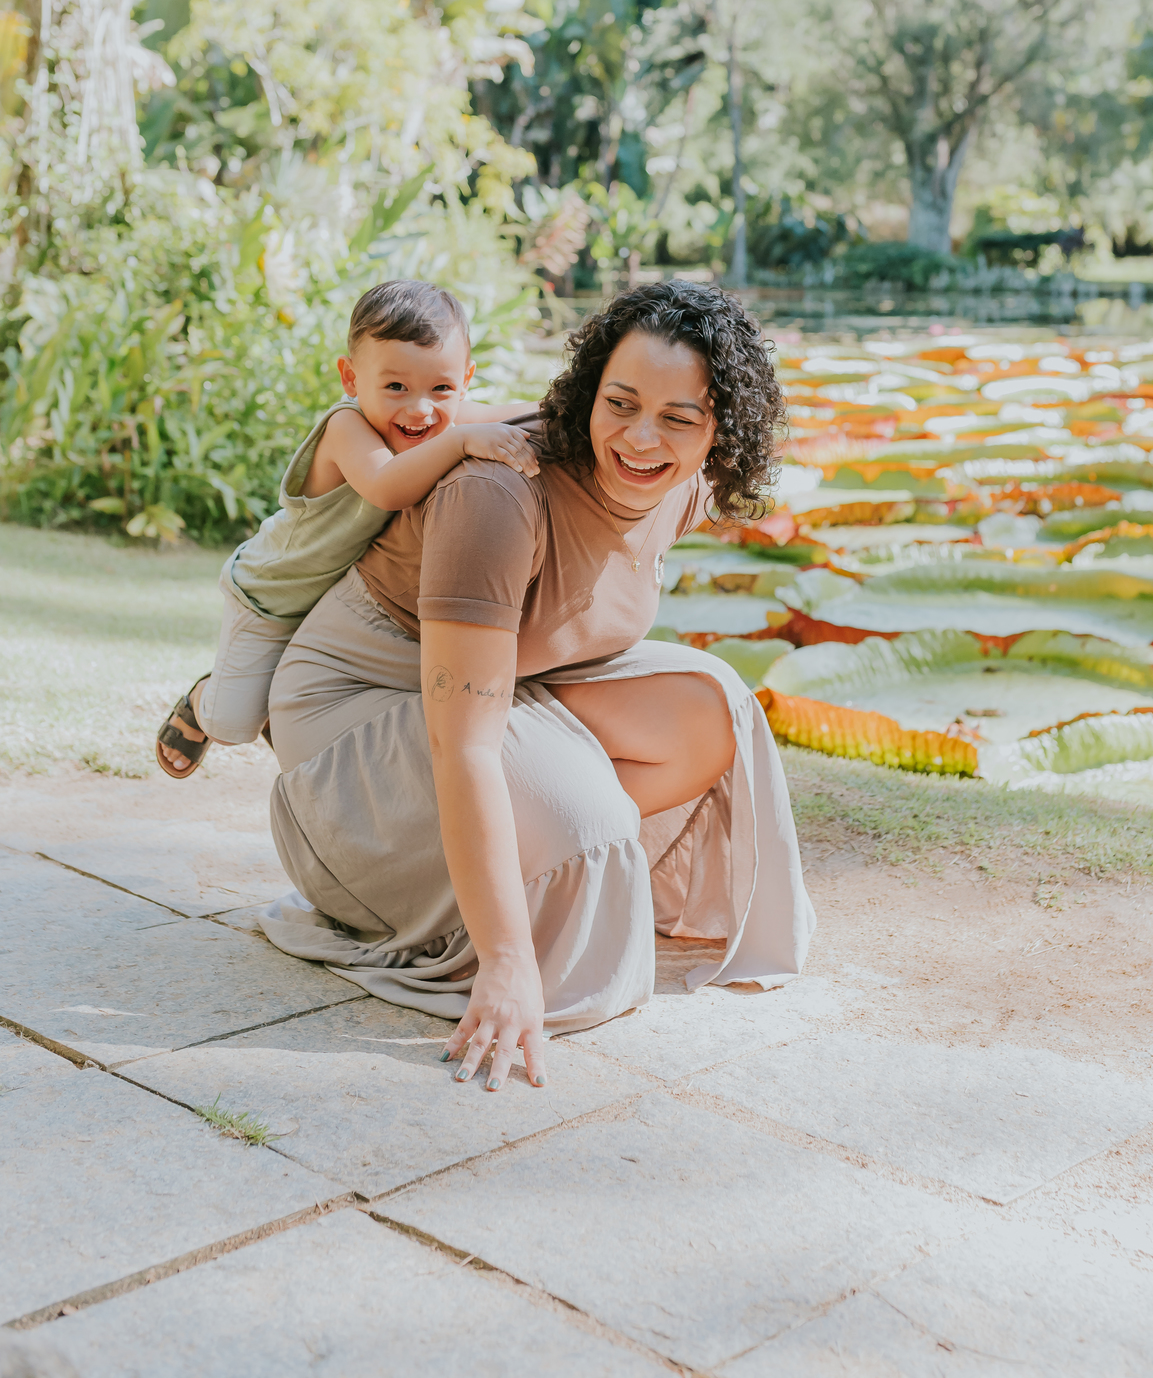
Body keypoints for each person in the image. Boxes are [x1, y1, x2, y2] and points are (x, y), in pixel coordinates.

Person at [262, 279, 815, 1090]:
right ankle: (501, 881)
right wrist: (510, 958)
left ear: (719, 431)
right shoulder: (496, 493)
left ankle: (539, 850)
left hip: (496, 684)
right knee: (582, 830)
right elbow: (465, 745)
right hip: (352, 719)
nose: (639, 438)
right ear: (589, 391)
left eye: (678, 417)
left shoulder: (679, 485)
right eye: (620, 403)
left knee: (713, 713)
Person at [155, 279, 537, 778]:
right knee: (232, 722)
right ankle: (203, 696)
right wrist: (463, 440)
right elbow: (385, 486)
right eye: (395, 386)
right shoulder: (347, 427)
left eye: (441, 388)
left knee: (301, 695)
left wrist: (578, 409)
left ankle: (273, 697)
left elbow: (521, 412)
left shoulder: (444, 417)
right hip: (272, 594)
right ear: (352, 379)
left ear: (465, 378)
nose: (420, 409)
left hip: (335, 594)